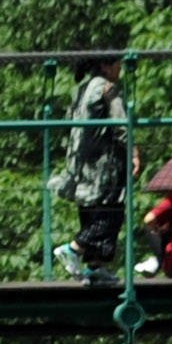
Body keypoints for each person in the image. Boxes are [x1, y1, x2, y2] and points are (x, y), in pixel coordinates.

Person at [53, 49, 133, 278]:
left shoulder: (82, 89)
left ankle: (95, 267)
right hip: (105, 163)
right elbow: (120, 125)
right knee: (112, 211)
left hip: (82, 160)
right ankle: (74, 248)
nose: (121, 68)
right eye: (118, 64)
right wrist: (134, 152)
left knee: (90, 209)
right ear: (106, 66)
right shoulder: (108, 89)